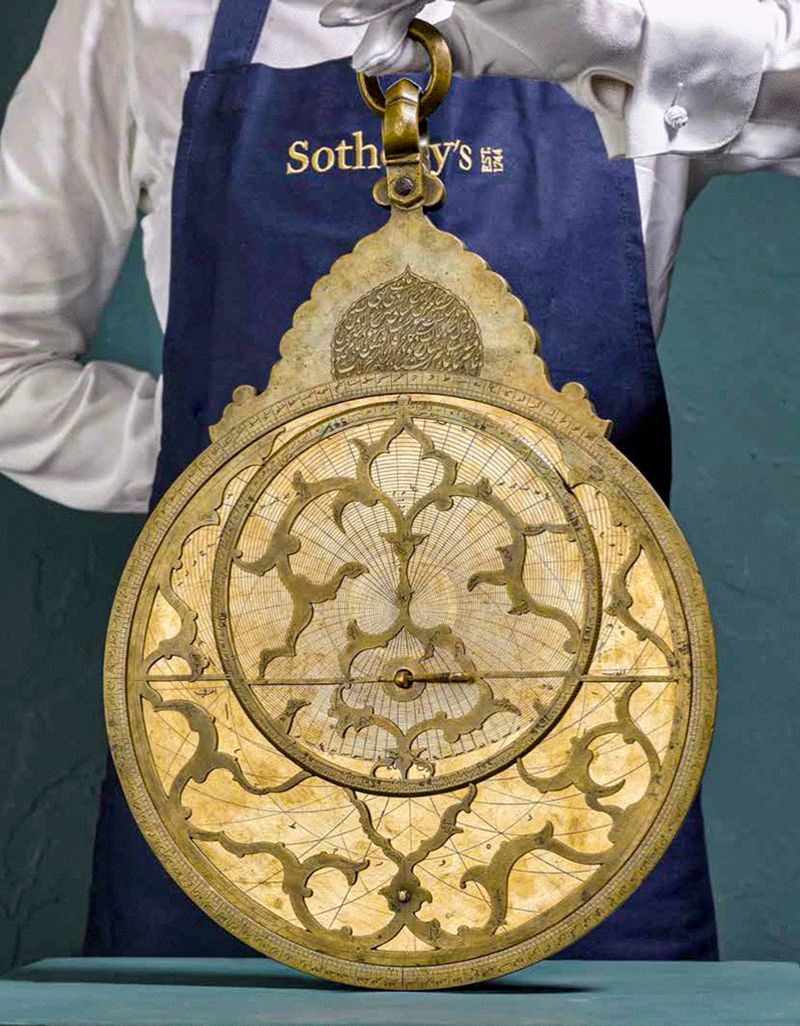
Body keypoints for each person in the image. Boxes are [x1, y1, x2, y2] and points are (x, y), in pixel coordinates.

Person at [0, 0, 797, 960]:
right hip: (232, 767)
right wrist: (240, 467)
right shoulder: (141, 10)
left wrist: (621, 33)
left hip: (586, 770)